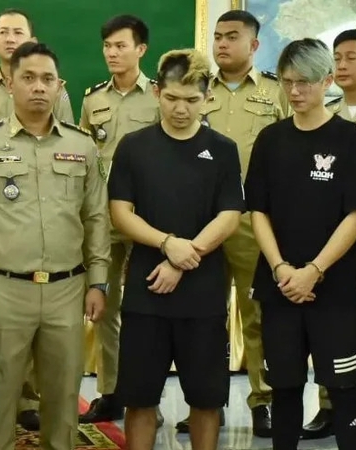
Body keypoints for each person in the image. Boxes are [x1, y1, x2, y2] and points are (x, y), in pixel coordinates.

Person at [0, 41, 110, 450]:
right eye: (28, 78)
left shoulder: (81, 145)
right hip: (3, 291)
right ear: (11, 84)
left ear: (59, 86)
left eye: (47, 79)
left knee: (63, 395)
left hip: (66, 289)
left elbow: (96, 217)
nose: (38, 86)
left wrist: (98, 281)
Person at [245, 38, 356, 450]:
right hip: (280, 285)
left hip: (333, 289)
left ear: (326, 81)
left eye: (304, 82)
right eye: (287, 81)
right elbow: (258, 211)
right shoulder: (270, 139)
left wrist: (315, 270)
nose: (295, 91)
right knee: (285, 386)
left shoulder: (349, 139)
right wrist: (280, 269)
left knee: (343, 388)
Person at [109, 47, 244, 450]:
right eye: (171, 98)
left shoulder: (222, 149)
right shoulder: (133, 146)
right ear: (156, 92)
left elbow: (229, 216)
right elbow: (120, 213)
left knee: (206, 399)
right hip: (146, 289)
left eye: (191, 99)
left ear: (207, 97)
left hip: (203, 294)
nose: (180, 109)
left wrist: (185, 258)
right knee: (139, 398)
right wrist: (168, 244)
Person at [178, 10, 289, 436]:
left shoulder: (275, 93)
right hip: (200, 225)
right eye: (218, 37)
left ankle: (263, 400)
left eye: (232, 37)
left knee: (256, 312)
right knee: (203, 316)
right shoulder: (195, 90)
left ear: (254, 45)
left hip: (249, 222)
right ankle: (206, 401)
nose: (222, 44)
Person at [302, 29, 356, 444]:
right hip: (326, 232)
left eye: (351, 56)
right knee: (326, 322)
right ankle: (328, 404)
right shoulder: (326, 111)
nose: (341, 64)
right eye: (336, 56)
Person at [78, 14, 160, 425]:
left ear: (140, 49)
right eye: (107, 46)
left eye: (121, 46)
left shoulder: (159, 97)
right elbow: (82, 157)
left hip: (148, 220)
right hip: (103, 218)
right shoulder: (93, 100)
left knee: (147, 311)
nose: (112, 53)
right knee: (104, 307)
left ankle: (147, 398)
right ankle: (110, 393)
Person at [0, 8, 74, 144]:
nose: (10, 39)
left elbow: (67, 141)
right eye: (3, 32)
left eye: (18, 33)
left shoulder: (51, 88)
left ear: (33, 43)